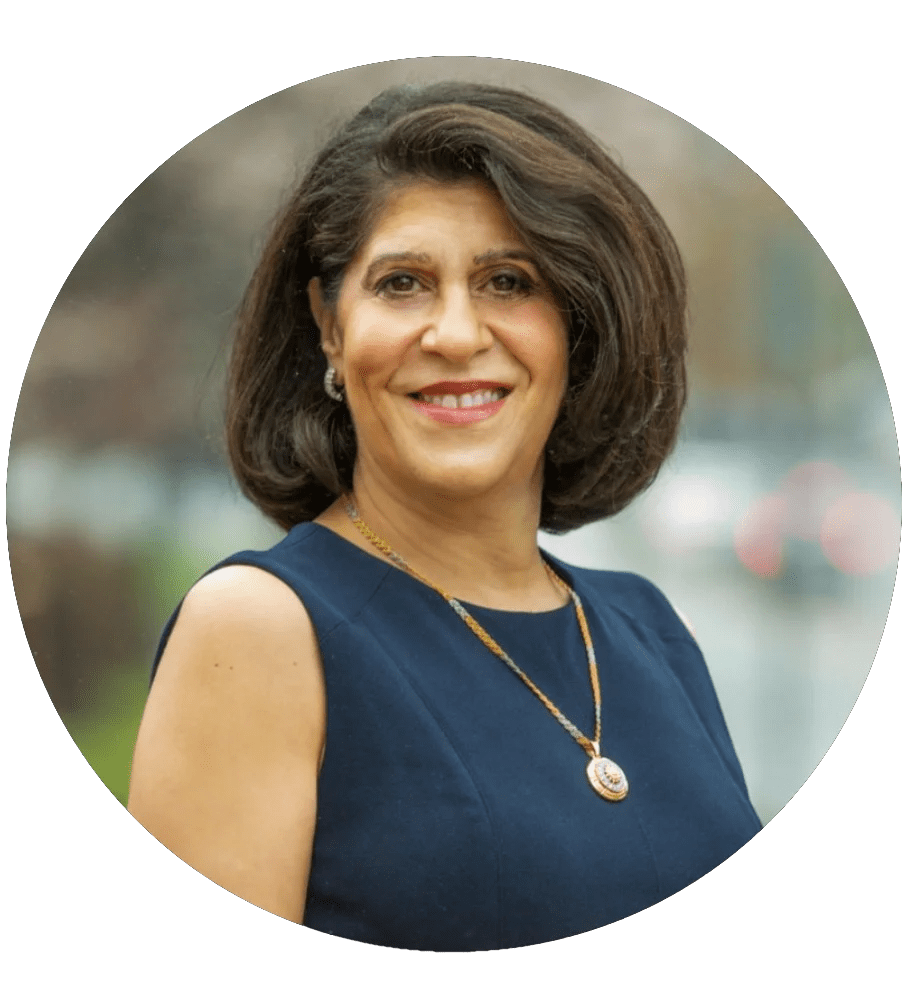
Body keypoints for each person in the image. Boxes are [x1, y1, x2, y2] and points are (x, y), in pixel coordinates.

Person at [128, 81, 762, 951]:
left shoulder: (647, 629)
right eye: (402, 283)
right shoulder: (259, 632)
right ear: (328, 326)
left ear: (578, 324)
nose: (457, 334)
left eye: (509, 281)